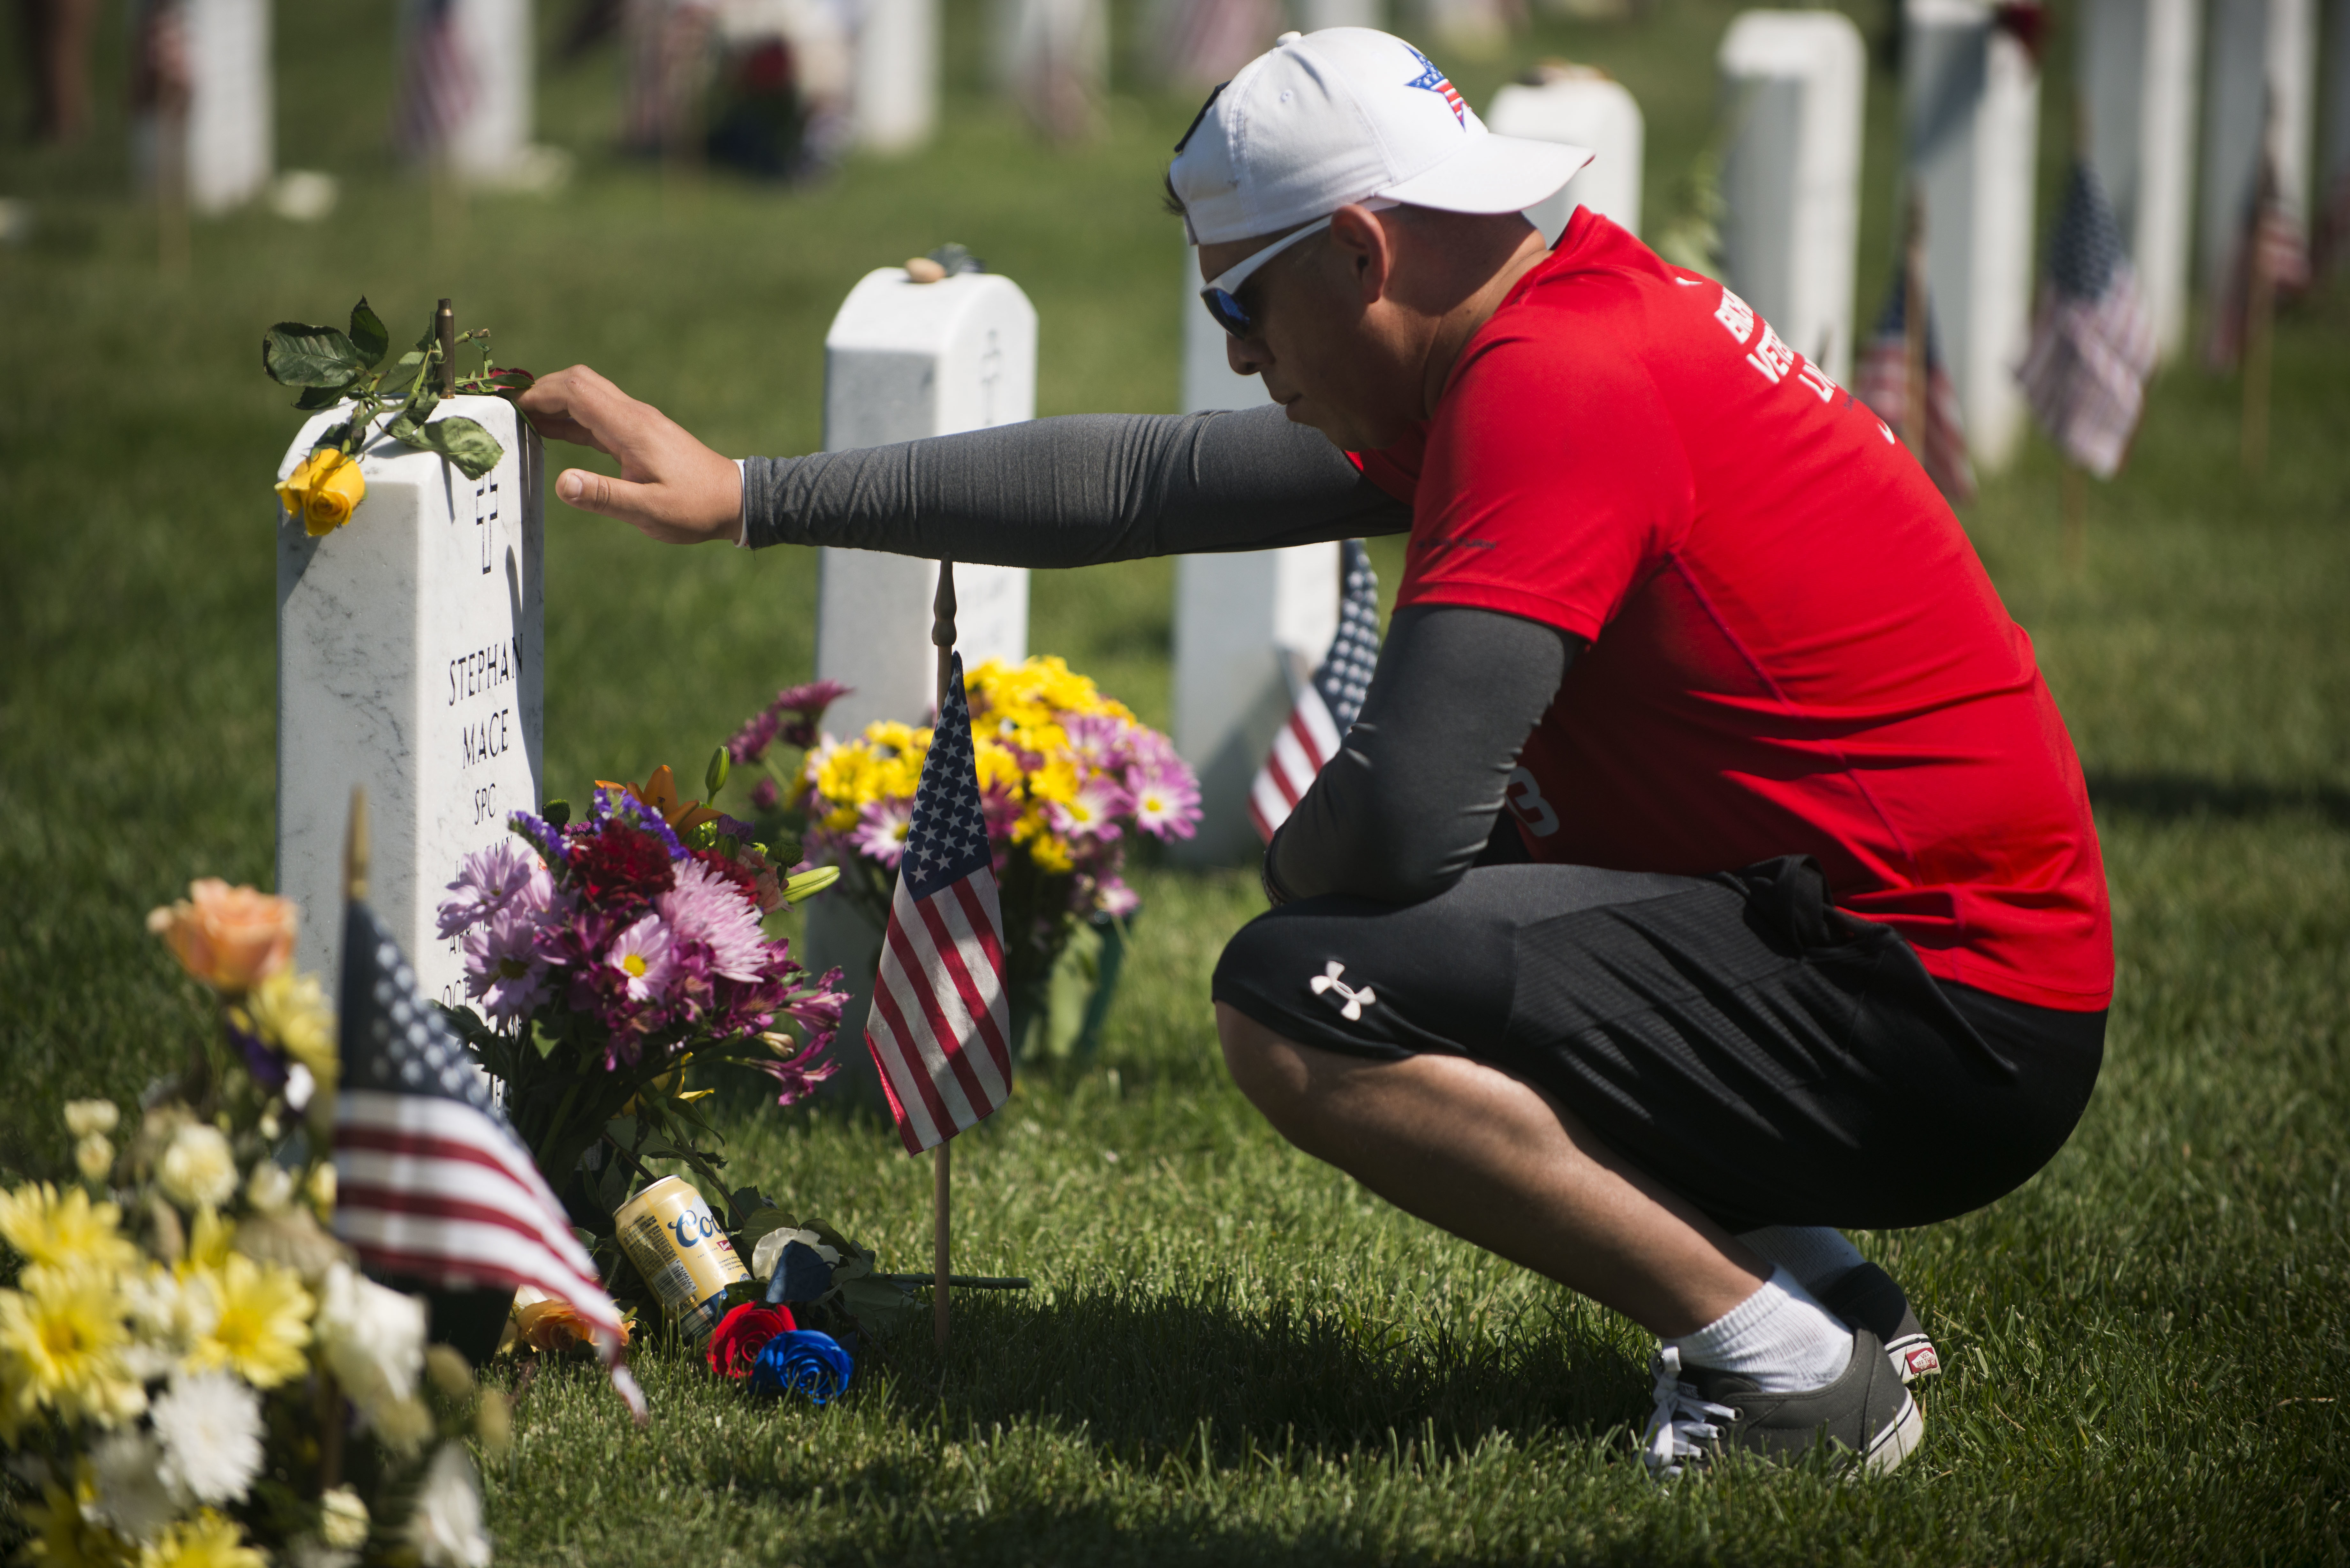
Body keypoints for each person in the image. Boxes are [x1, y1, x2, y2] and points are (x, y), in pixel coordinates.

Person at [518, 27, 2111, 1478]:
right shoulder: (1551, 311)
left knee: (1301, 997)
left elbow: (1403, 822)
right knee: (1483, 873)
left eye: (1239, 298)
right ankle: (1818, 1283)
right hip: (1929, 953)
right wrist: (754, 494)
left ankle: (1789, 1377)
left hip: (1942, 1010)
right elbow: (1148, 484)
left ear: (1358, 249)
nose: (1231, 350)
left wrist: (1299, 863)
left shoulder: (1553, 390)